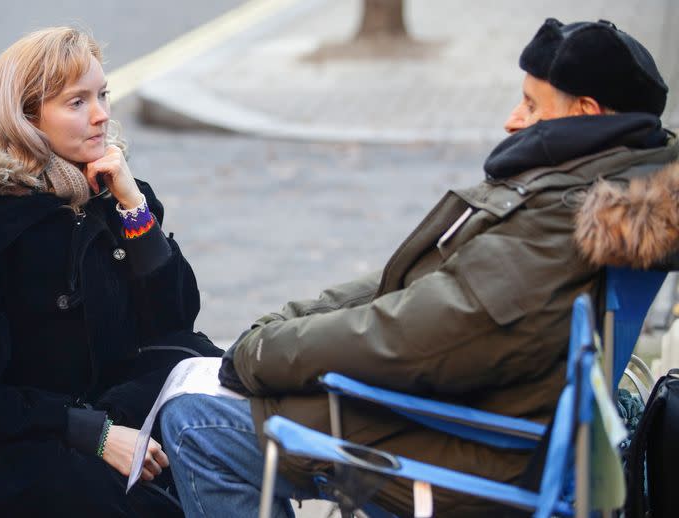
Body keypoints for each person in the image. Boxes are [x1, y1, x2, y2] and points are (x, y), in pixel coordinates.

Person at [158, 18, 678, 517]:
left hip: (475, 448)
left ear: (586, 113)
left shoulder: (563, 217)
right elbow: (419, 292)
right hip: (478, 418)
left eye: (530, 104)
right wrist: (286, 327)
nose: (512, 119)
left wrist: (263, 354)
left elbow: (420, 337)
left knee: (194, 424)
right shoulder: (592, 187)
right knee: (224, 386)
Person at [0, 27, 222, 517]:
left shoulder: (102, 193)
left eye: (102, 94)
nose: (102, 114)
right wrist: (96, 434)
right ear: (26, 118)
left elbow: (173, 321)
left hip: (83, 408)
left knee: (215, 406)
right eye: (76, 102)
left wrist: (134, 207)